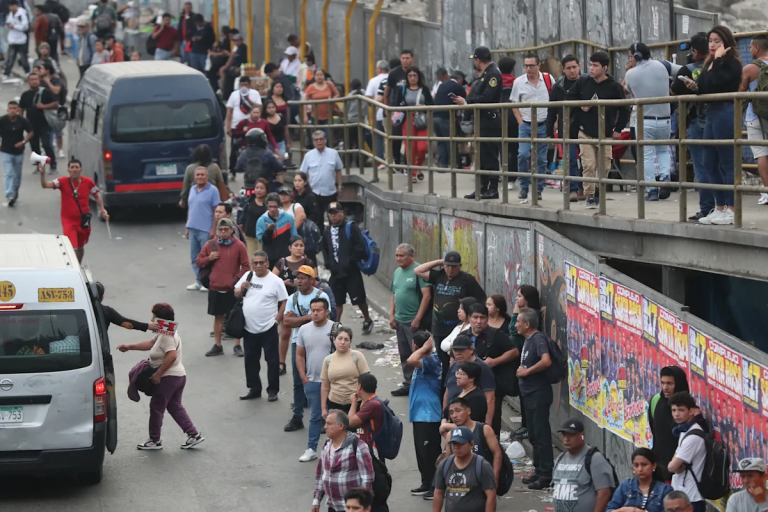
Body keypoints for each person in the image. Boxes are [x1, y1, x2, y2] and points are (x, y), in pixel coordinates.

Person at [118, 303, 204, 450]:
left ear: (161, 319)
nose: (152, 319)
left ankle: (154, 440)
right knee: (175, 406)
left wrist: (158, 374)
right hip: (179, 376)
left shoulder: (166, 336)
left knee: (156, 408)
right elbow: (150, 344)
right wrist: (129, 346)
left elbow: (171, 356)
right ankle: (194, 435)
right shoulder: (165, 332)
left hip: (169, 377)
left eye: (154, 316)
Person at [690, 26, 742, 226]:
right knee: (709, 161)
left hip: (725, 112)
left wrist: (719, 60)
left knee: (727, 161)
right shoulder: (710, 62)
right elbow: (705, 86)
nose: (712, 45)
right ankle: (719, 207)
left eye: (717, 41)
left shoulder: (731, 63)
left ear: (726, 43)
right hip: (711, 113)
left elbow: (719, 82)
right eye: (711, 41)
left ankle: (731, 208)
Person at [414, 252, 487, 394]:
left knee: (456, 359)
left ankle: (456, 388)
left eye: (454, 267)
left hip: (457, 327)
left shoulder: (467, 279)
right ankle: (444, 391)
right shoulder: (439, 275)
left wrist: (470, 318)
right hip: (439, 326)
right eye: (447, 266)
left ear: (460, 266)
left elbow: (480, 299)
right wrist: (439, 262)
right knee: (443, 361)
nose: (450, 270)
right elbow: (418, 270)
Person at [566, 52, 630, 209]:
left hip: (606, 133)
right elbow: (569, 97)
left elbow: (624, 109)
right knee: (588, 164)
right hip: (585, 131)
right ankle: (589, 195)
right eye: (591, 65)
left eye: (595, 65)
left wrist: (618, 129)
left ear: (605, 68)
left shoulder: (614, 87)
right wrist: (580, 104)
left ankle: (599, 193)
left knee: (604, 166)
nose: (592, 68)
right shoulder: (583, 82)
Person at [235, 249, 289, 401]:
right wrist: (242, 288)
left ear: (267, 263)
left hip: (268, 327)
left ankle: (273, 391)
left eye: (261, 263)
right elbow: (236, 293)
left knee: (272, 361)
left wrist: (277, 320)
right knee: (250, 360)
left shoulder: (275, 281)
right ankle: (254, 388)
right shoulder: (248, 276)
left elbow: (284, 301)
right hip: (248, 328)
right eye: (255, 263)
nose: (257, 266)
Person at [283, 265, 329, 432]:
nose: (298, 281)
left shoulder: (321, 296)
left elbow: (322, 319)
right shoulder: (292, 298)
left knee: (322, 379)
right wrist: (309, 317)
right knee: (298, 381)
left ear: (311, 280)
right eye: (297, 277)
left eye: (302, 278)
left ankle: (324, 417)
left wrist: (299, 319)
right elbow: (286, 322)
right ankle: (297, 417)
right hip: (299, 341)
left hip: (320, 342)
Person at [624, 42, 672, 202]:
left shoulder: (631, 74)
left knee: (647, 156)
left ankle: (652, 190)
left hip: (645, 120)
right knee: (664, 150)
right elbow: (682, 72)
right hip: (665, 119)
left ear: (635, 56)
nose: (630, 59)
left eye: (630, 56)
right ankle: (666, 177)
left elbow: (629, 91)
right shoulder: (663, 65)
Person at [196, 218, 249, 357]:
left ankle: (238, 345)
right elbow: (199, 261)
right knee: (218, 318)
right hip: (215, 287)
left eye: (226, 229)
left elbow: (247, 267)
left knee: (237, 317)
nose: (223, 232)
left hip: (232, 289)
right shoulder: (210, 245)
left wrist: (236, 279)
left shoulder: (239, 246)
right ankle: (218, 345)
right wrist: (209, 258)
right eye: (221, 230)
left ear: (232, 230)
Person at [453, 46, 502, 200]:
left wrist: (466, 102)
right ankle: (482, 187)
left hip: (490, 119)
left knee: (489, 154)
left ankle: (492, 188)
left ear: (478, 60)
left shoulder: (493, 75)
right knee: (481, 155)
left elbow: (487, 97)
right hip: (483, 120)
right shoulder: (486, 74)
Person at [674, 33, 713, 222]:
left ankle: (707, 208)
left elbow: (673, 92)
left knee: (702, 167)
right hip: (718, 120)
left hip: (697, 122)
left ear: (695, 51)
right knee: (719, 166)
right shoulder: (719, 66)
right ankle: (724, 207)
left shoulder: (688, 69)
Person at [463, 303, 518, 436]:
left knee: (491, 426)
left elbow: (514, 351)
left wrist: (494, 362)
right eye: (475, 317)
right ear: (469, 318)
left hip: (491, 388)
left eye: (482, 318)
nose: (479, 321)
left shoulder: (496, 335)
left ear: (487, 319)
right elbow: (454, 358)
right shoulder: (463, 336)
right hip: (468, 388)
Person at [39, 159, 108, 263]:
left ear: (81, 170)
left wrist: (103, 211)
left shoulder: (88, 182)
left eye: (76, 167)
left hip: (83, 221)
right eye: (72, 167)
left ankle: (78, 267)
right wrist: (42, 173)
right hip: (69, 222)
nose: (74, 170)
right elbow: (45, 185)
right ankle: (74, 271)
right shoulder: (62, 182)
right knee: (73, 248)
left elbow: (97, 196)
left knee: (80, 247)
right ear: (68, 170)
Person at [516, 307, 554, 489]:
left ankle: (546, 474)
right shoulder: (527, 340)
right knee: (533, 434)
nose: (516, 325)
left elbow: (546, 361)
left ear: (527, 324)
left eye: (518, 321)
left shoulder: (538, 338)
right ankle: (538, 470)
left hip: (538, 393)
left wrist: (526, 372)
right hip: (529, 394)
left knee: (541, 434)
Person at [321, 202, 373, 330]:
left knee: (359, 298)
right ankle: (336, 324)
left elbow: (360, 246)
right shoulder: (327, 230)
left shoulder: (351, 227)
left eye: (336, 213)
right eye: (331, 213)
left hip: (351, 271)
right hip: (336, 272)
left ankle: (367, 319)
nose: (334, 216)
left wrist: (349, 261)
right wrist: (329, 263)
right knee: (336, 300)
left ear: (342, 213)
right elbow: (325, 248)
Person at [389, 243, 431, 396]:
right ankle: (408, 383)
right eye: (397, 255)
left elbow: (426, 295)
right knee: (404, 354)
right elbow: (394, 294)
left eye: (402, 255)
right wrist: (392, 315)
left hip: (413, 322)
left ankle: (422, 384)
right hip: (399, 321)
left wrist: (418, 318)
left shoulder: (419, 271)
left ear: (411, 256)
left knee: (418, 354)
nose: (398, 259)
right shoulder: (397, 272)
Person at [404, 330, 443, 497]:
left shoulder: (431, 361)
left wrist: (425, 348)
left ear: (415, 345)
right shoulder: (423, 360)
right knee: (421, 452)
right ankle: (426, 482)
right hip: (419, 415)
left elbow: (411, 359)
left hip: (429, 415)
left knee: (431, 453)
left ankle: (436, 486)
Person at [296, 296, 334, 462]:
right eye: (313, 310)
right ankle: (311, 448)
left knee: (336, 416)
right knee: (315, 416)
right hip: (313, 381)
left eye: (319, 310)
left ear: (327, 311)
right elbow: (299, 354)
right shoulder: (304, 329)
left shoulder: (336, 329)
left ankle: (337, 449)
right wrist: (304, 377)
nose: (315, 313)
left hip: (334, 382)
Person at [312, 410, 374, 512]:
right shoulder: (327, 445)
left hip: (351, 508)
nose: (325, 427)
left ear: (341, 426)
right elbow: (321, 474)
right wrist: (316, 500)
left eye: (329, 424)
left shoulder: (358, 446)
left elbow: (367, 478)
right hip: (332, 506)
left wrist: (362, 504)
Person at [510, 53, 552, 201]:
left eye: (531, 66)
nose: (528, 68)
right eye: (526, 66)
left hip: (543, 124)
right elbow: (514, 104)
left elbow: (555, 100)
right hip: (526, 124)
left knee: (541, 159)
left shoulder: (547, 79)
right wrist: (520, 122)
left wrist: (554, 122)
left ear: (538, 65)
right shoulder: (519, 82)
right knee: (523, 155)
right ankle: (524, 186)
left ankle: (538, 189)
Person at [440, 397, 503, 491]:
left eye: (458, 411)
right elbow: (449, 461)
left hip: (482, 483)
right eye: (451, 413)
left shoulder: (484, 430)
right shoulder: (450, 435)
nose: (454, 416)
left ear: (468, 411)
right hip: (461, 485)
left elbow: (497, 454)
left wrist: (494, 478)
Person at [552, 418, 615, 512]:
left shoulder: (594, 458)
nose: (566, 439)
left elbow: (604, 493)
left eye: (571, 435)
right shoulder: (560, 458)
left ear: (582, 436)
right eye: (564, 435)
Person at [273, 233, 313, 372]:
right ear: (289, 247)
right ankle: (281, 362)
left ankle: (306, 363)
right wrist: (283, 283)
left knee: (305, 332)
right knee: (285, 333)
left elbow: (316, 279)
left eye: (301, 245)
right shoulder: (282, 262)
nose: (299, 248)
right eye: (296, 245)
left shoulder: (308, 263)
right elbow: (272, 280)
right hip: (286, 301)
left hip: (305, 301)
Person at [433, 426, 497, 512]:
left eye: (460, 444)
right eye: (454, 443)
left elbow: (491, 496)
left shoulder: (482, 466)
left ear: (471, 444)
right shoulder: (444, 465)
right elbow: (438, 493)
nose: (456, 447)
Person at [547, 54, 584, 201]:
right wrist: (549, 132)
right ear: (563, 70)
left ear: (579, 66)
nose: (572, 71)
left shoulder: (586, 82)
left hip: (585, 128)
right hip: (567, 127)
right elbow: (551, 110)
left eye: (574, 67)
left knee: (587, 161)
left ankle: (583, 187)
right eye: (568, 68)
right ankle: (573, 189)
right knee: (571, 160)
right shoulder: (558, 87)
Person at [508, 285, 543, 439]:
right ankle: (525, 425)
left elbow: (513, 330)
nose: (517, 298)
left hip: (528, 360)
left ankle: (528, 427)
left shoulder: (531, 315)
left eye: (520, 296)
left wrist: (516, 311)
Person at [648, 365, 690, 481]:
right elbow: (655, 431)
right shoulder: (656, 401)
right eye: (663, 383)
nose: (665, 387)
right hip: (659, 472)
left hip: (681, 474)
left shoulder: (689, 409)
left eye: (670, 383)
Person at [667, 391, 706, 512]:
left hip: (692, 497)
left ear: (691, 411)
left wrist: (675, 463)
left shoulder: (693, 437)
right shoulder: (684, 430)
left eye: (681, 410)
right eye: (673, 410)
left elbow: (671, 467)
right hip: (682, 494)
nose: (676, 414)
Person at [741, 35, 768, 206]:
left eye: (750, 47)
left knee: (761, 154)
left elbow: (740, 94)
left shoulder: (750, 68)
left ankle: (767, 191)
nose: (749, 50)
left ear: (757, 48)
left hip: (755, 117)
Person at [185, 167, 220, 291]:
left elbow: (216, 210)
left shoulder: (213, 190)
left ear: (207, 176)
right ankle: (198, 281)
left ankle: (208, 282)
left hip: (205, 229)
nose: (199, 177)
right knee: (195, 257)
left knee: (207, 257)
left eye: (202, 174)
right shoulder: (192, 189)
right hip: (193, 228)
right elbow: (190, 208)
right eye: (197, 175)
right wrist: (187, 227)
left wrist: (213, 229)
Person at [321, 327, 370, 416]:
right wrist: (323, 408)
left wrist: (365, 402)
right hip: (334, 404)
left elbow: (367, 382)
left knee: (355, 429)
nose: (342, 342)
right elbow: (325, 386)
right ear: (334, 340)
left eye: (346, 339)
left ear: (350, 342)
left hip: (356, 404)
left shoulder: (357, 356)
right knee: (337, 429)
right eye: (340, 339)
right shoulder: (328, 360)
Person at [607, 448, 674, 512]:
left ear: (654, 466)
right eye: (636, 465)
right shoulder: (626, 486)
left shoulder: (665, 489)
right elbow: (610, 509)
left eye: (644, 465)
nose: (640, 469)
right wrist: (622, 510)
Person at [300, 131, 343, 221]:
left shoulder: (333, 153)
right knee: (317, 219)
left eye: (321, 139)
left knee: (334, 218)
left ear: (325, 140)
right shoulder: (308, 155)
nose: (319, 141)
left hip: (330, 192)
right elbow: (303, 173)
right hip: (314, 193)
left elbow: (338, 170)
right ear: (313, 142)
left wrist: (339, 186)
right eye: (316, 140)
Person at [382, 50, 415, 166]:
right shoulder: (394, 74)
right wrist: (387, 109)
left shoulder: (416, 73)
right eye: (403, 58)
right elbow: (387, 92)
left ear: (412, 59)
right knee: (396, 138)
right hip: (396, 111)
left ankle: (407, 164)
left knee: (410, 139)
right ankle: (396, 161)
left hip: (411, 111)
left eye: (407, 58)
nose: (405, 60)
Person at [227, 76, 263, 173]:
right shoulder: (234, 95)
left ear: (249, 84)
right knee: (234, 149)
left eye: (245, 84)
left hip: (251, 125)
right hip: (236, 126)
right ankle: (233, 169)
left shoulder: (255, 94)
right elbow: (229, 111)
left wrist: (248, 99)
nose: (244, 86)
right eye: (242, 84)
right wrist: (228, 126)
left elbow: (259, 107)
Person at [1, 100, 33, 207]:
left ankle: (15, 190)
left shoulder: (22, 121)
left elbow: (31, 132)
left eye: (15, 109)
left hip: (19, 152)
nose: (13, 111)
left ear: (18, 110)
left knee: (17, 175)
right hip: (5, 151)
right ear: (7, 109)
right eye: (11, 109)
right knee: (8, 173)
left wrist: (23, 142)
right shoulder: (2, 120)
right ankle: (9, 195)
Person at [433, 71, 467, 168]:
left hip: (435, 116)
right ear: (459, 79)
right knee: (451, 141)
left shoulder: (442, 85)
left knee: (441, 141)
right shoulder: (457, 87)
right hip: (446, 117)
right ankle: (454, 164)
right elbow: (465, 101)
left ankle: (442, 163)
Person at [256, 192, 297, 264]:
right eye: (270, 206)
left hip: (286, 258)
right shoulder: (261, 221)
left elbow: (294, 237)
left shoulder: (288, 218)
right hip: (270, 259)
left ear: (278, 205)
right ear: (267, 206)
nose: (272, 209)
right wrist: (269, 230)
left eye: (274, 207)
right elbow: (263, 242)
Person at [364, 60, 389, 165]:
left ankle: (381, 161)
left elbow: (368, 96)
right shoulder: (392, 79)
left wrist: (374, 107)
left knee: (379, 137)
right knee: (392, 137)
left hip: (379, 114)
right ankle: (393, 160)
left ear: (378, 69)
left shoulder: (373, 81)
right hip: (394, 115)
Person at [304, 69, 339, 135]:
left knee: (328, 138)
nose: (319, 77)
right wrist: (305, 116)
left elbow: (337, 94)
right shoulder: (311, 87)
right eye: (317, 75)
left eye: (321, 75)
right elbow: (304, 102)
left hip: (328, 116)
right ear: (314, 76)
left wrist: (332, 100)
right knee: (317, 138)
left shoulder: (329, 84)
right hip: (315, 117)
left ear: (324, 76)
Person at [241, 178, 269, 254]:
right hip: (249, 235)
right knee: (251, 260)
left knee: (260, 259)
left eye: (262, 188)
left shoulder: (268, 204)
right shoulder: (250, 200)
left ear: (267, 190)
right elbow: (243, 216)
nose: (258, 190)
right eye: (257, 188)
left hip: (262, 237)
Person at [4, 0, 29, 78]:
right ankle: (7, 73)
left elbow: (25, 26)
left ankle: (27, 71)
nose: (11, 8)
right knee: (10, 57)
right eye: (9, 6)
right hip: (12, 39)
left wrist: (15, 27)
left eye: (12, 6)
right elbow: (8, 21)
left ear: (16, 5)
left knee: (23, 57)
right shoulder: (10, 14)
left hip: (21, 39)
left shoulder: (22, 14)